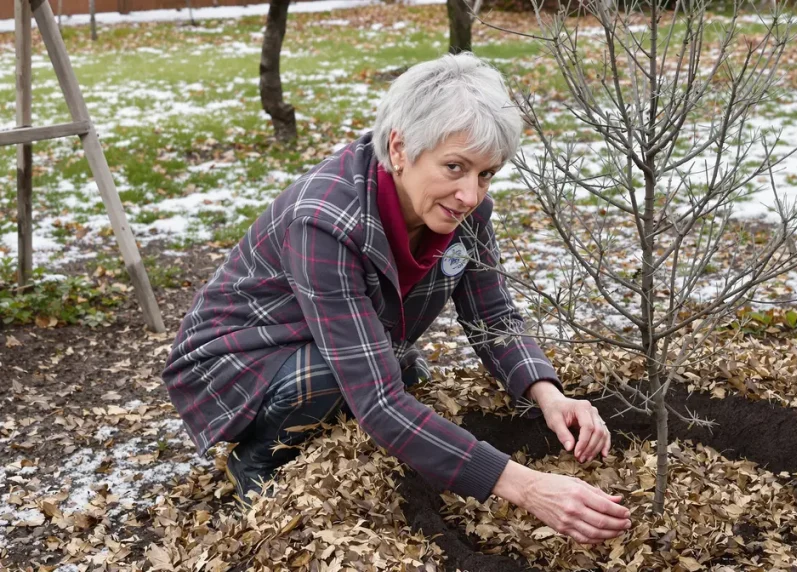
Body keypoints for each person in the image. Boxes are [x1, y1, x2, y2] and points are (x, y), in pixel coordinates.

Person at [162, 53, 631, 545]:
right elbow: (379, 400)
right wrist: (529, 487)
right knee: (340, 378)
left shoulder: (463, 211)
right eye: (455, 167)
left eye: (487, 173)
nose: (470, 194)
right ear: (401, 147)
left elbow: (492, 315)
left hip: (335, 340)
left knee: (400, 370)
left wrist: (547, 392)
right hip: (235, 361)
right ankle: (256, 458)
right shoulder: (324, 221)